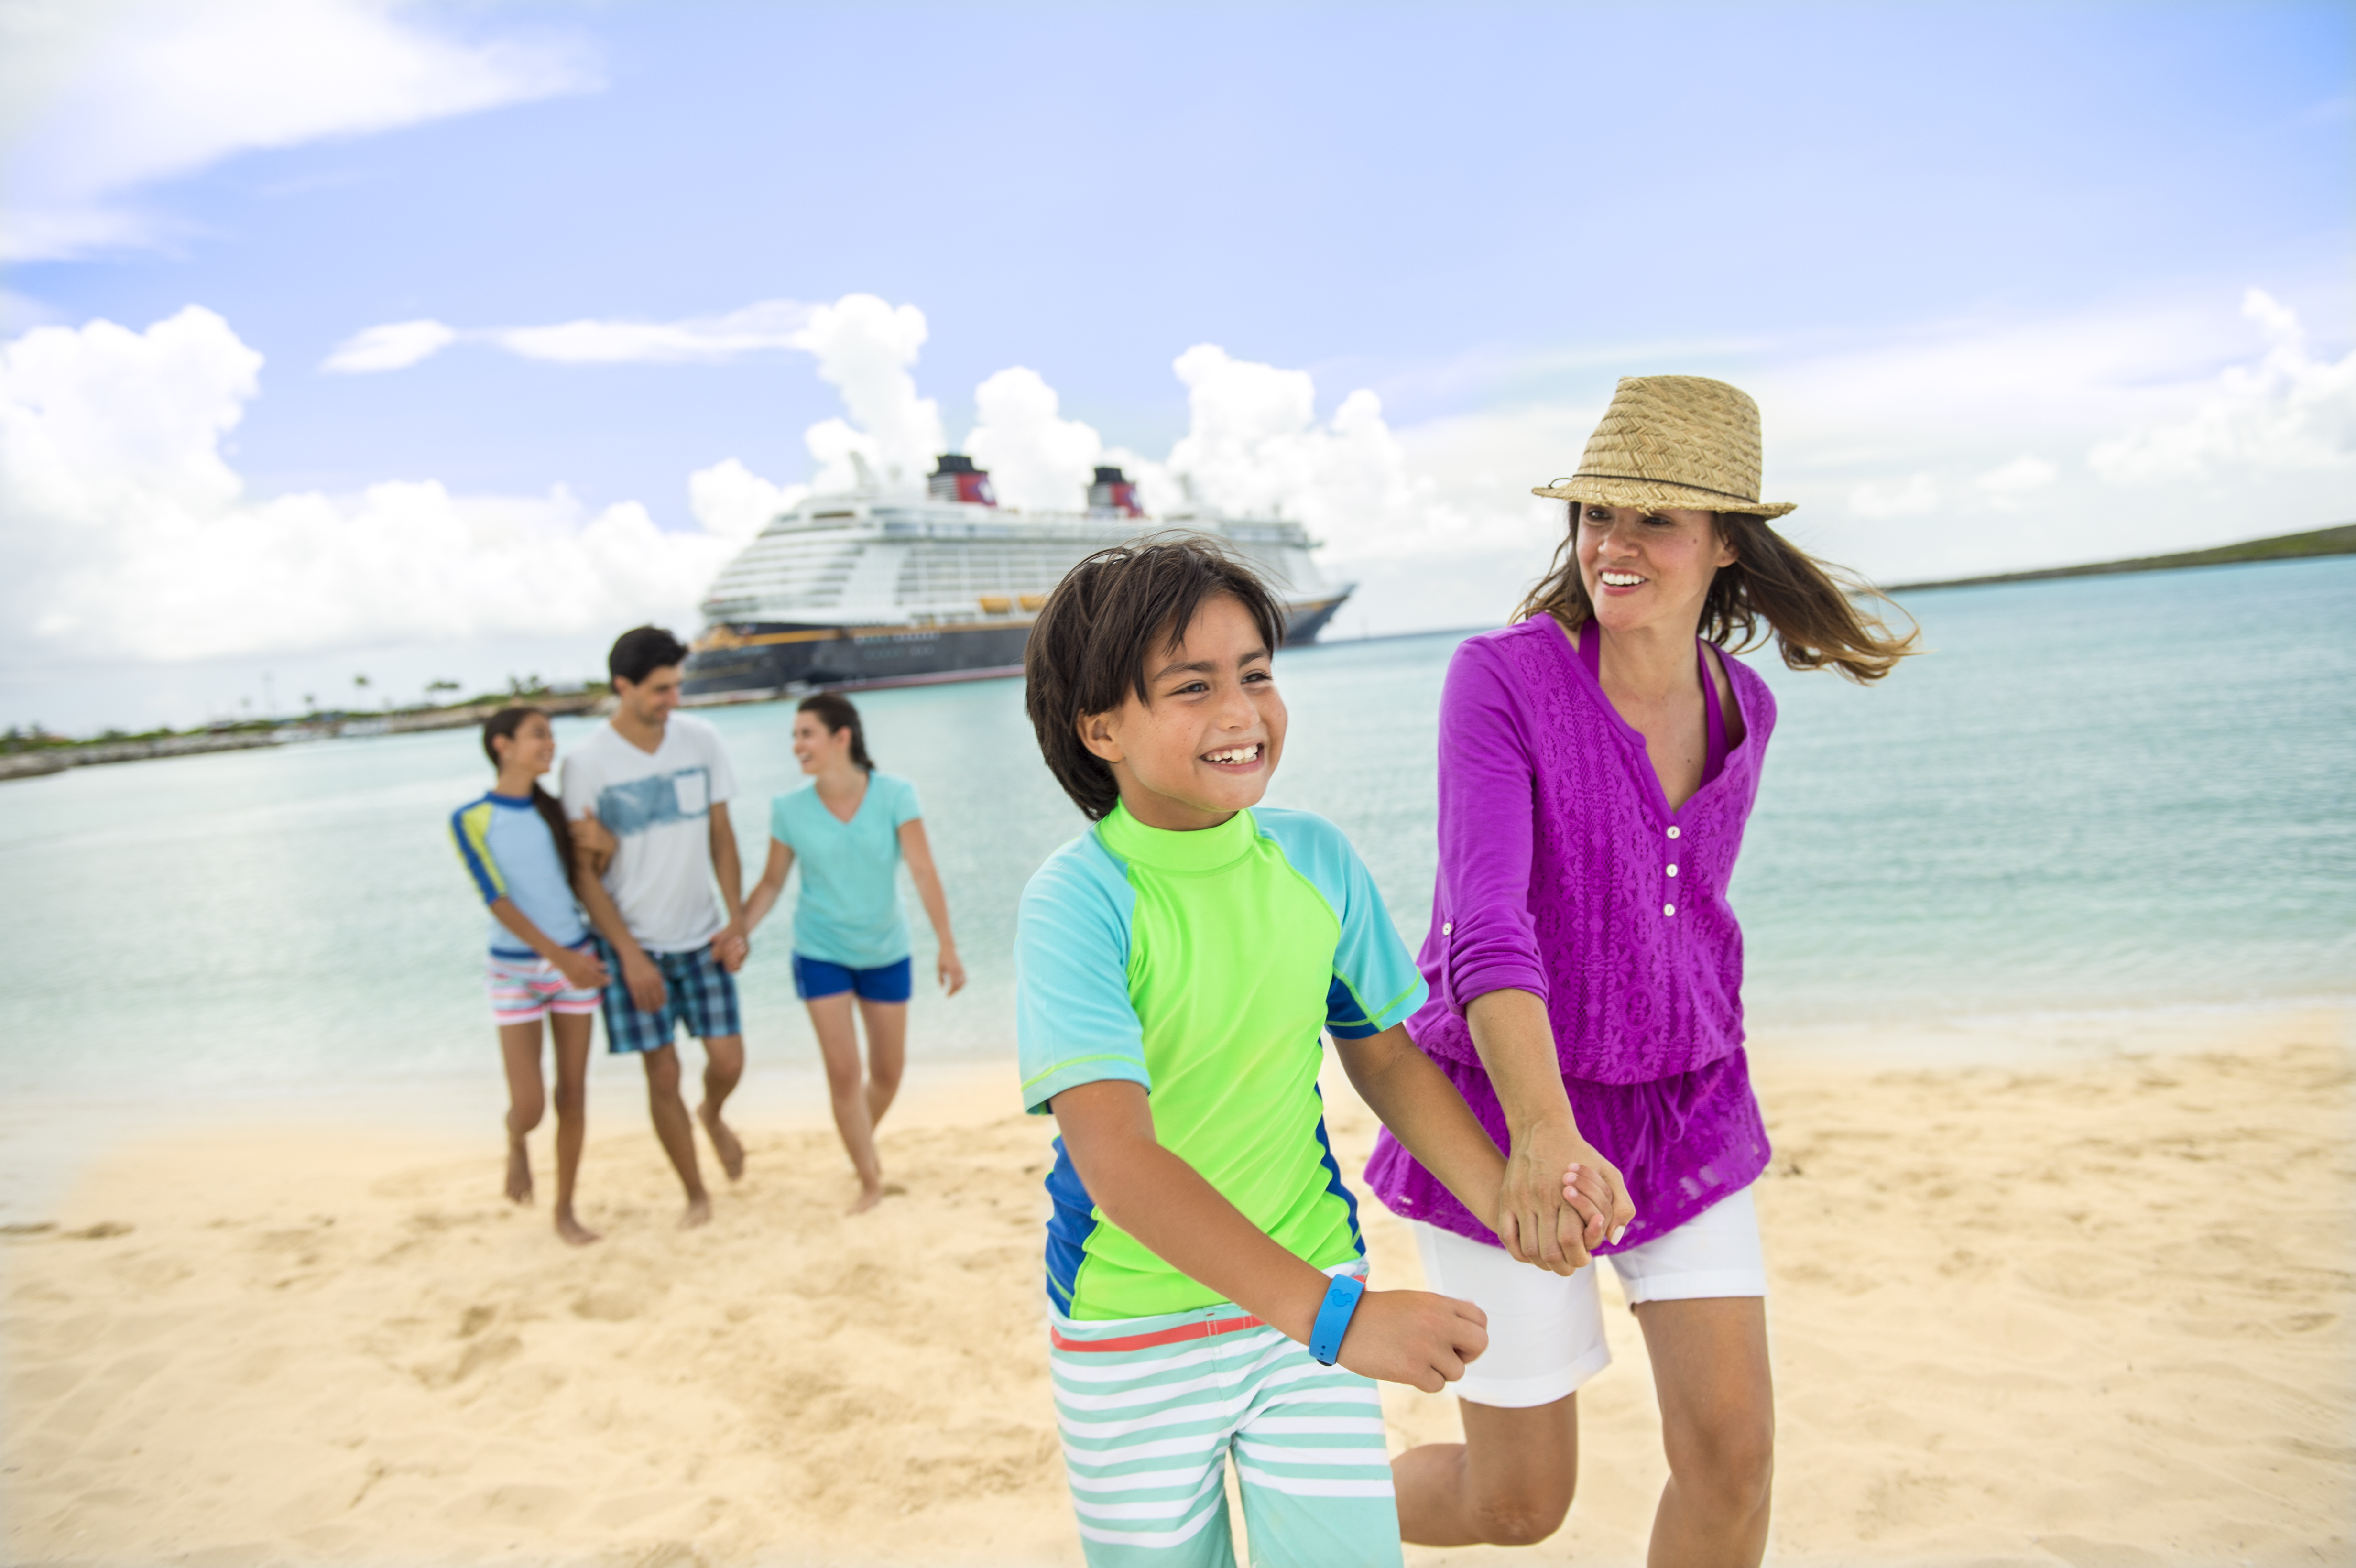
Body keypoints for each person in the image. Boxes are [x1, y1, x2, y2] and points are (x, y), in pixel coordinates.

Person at [1369, 376, 1918, 1562]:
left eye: (1655, 519)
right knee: (1517, 1504)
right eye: (1597, 514)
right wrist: (1543, 1133)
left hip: (1689, 1106)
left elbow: (1675, 918)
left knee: (1733, 1459)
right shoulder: (1500, 679)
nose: (1613, 545)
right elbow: (1489, 925)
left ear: (1725, 543)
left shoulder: (1748, 708)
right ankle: (1306, 1500)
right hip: (1505, 1098)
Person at [1015, 535, 1517, 1567]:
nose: (1242, 712)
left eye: (1255, 675)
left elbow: (1383, 1057)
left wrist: (1501, 1193)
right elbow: (1120, 1161)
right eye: (1191, 687)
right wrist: (1342, 1320)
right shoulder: (1079, 901)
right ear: (1100, 725)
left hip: (1306, 1286)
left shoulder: (1315, 858)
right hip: (1128, 1323)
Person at [740, 692, 966, 1214]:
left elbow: (923, 871)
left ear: (841, 737)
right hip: (820, 950)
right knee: (844, 1073)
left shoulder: (895, 794)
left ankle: (857, 1138)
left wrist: (947, 947)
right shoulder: (787, 809)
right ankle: (868, 1178)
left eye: (806, 734)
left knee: (887, 1073)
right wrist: (741, 930)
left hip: (886, 948)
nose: (796, 745)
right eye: (795, 735)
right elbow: (772, 882)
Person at [561, 625, 752, 1229]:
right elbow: (585, 875)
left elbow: (722, 836)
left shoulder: (701, 740)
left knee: (727, 1060)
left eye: (677, 687)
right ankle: (695, 1192)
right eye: (661, 689)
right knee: (662, 1070)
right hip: (633, 946)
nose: (673, 700)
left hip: (701, 935)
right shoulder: (586, 763)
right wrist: (629, 955)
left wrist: (737, 918)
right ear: (623, 686)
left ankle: (713, 1115)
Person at [449, 706, 610, 1246]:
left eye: (551, 735)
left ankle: (565, 1209)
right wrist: (557, 959)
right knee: (531, 1106)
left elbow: (584, 881)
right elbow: (496, 898)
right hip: (515, 972)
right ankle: (515, 1138)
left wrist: (603, 847)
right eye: (538, 735)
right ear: (502, 745)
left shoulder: (555, 812)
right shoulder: (469, 819)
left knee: (573, 1096)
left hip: (576, 962)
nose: (550, 744)